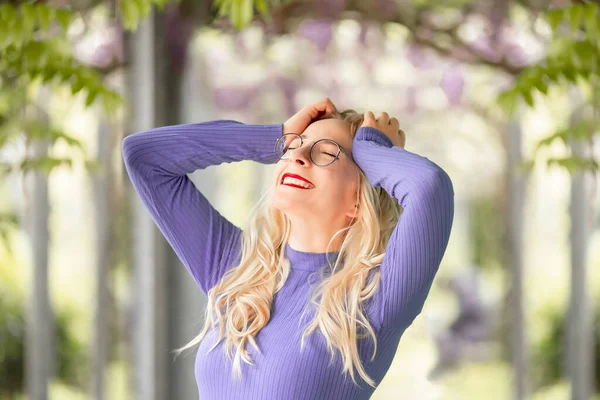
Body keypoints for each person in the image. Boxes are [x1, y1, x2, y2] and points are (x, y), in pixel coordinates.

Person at [122, 98, 455, 400]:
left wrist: (372, 148)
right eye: (295, 146)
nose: (297, 155)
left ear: (359, 196)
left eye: (325, 152)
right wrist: (275, 137)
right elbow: (143, 157)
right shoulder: (239, 269)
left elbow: (428, 186)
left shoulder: (374, 296)